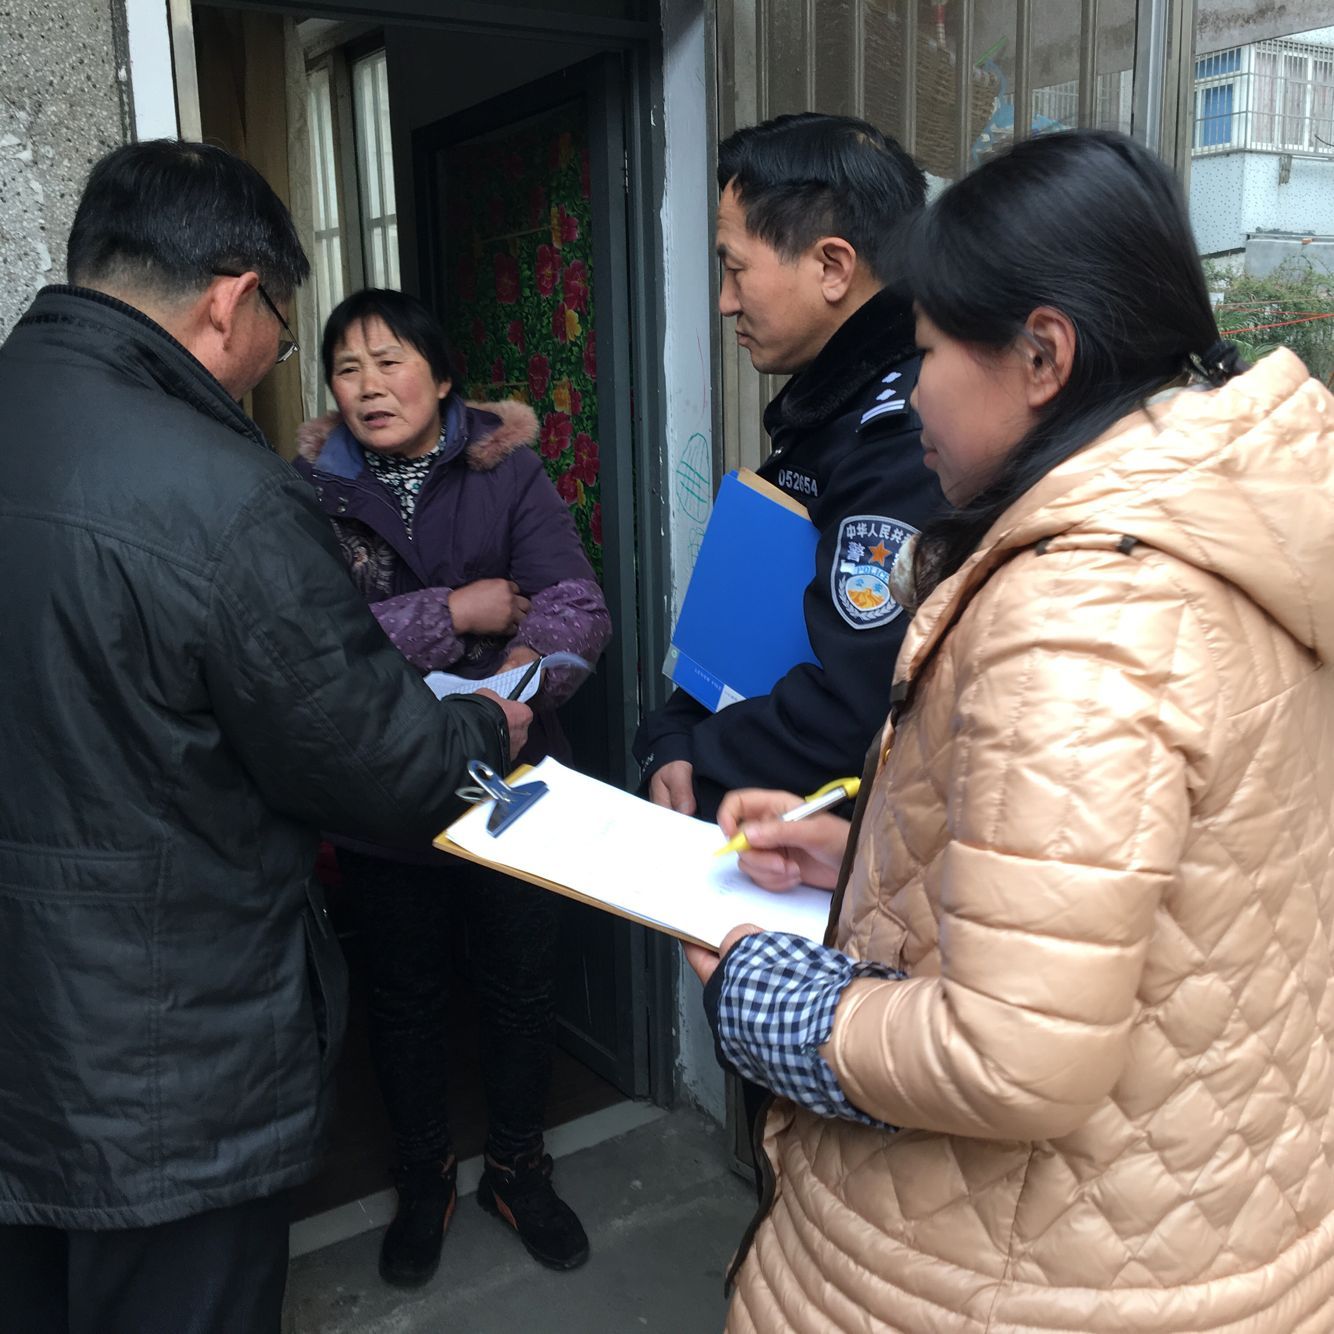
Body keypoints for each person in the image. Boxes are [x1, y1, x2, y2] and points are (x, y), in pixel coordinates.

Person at [689, 130, 1334, 1331]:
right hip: (1197, 1210)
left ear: (1041, 355)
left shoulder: (1084, 615)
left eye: (930, 349)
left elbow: (1008, 1052)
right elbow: (1148, 880)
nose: (915, 392)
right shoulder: (1235, 523)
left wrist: (764, 995)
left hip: (1016, 1273)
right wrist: (869, 854)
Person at [0, 142, 529, 1334]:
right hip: (160, 1057)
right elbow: (372, 754)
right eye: (300, 346)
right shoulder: (224, 492)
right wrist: (482, 722)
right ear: (232, 297)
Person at [293, 288, 610, 1286]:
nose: (369, 385)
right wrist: (454, 611)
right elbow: (310, 644)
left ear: (439, 377)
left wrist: (519, 673)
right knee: (404, 997)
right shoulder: (310, 493)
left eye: (389, 361)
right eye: (347, 368)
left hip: (511, 780)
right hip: (383, 792)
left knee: (520, 985)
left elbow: (574, 599)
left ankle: (517, 1166)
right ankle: (421, 1174)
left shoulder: (504, 469)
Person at [633, 112, 943, 823]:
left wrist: (695, 754)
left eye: (735, 268)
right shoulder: (827, 406)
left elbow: (854, 706)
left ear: (832, 267)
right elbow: (744, 635)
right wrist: (671, 732)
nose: (724, 302)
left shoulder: (906, 437)